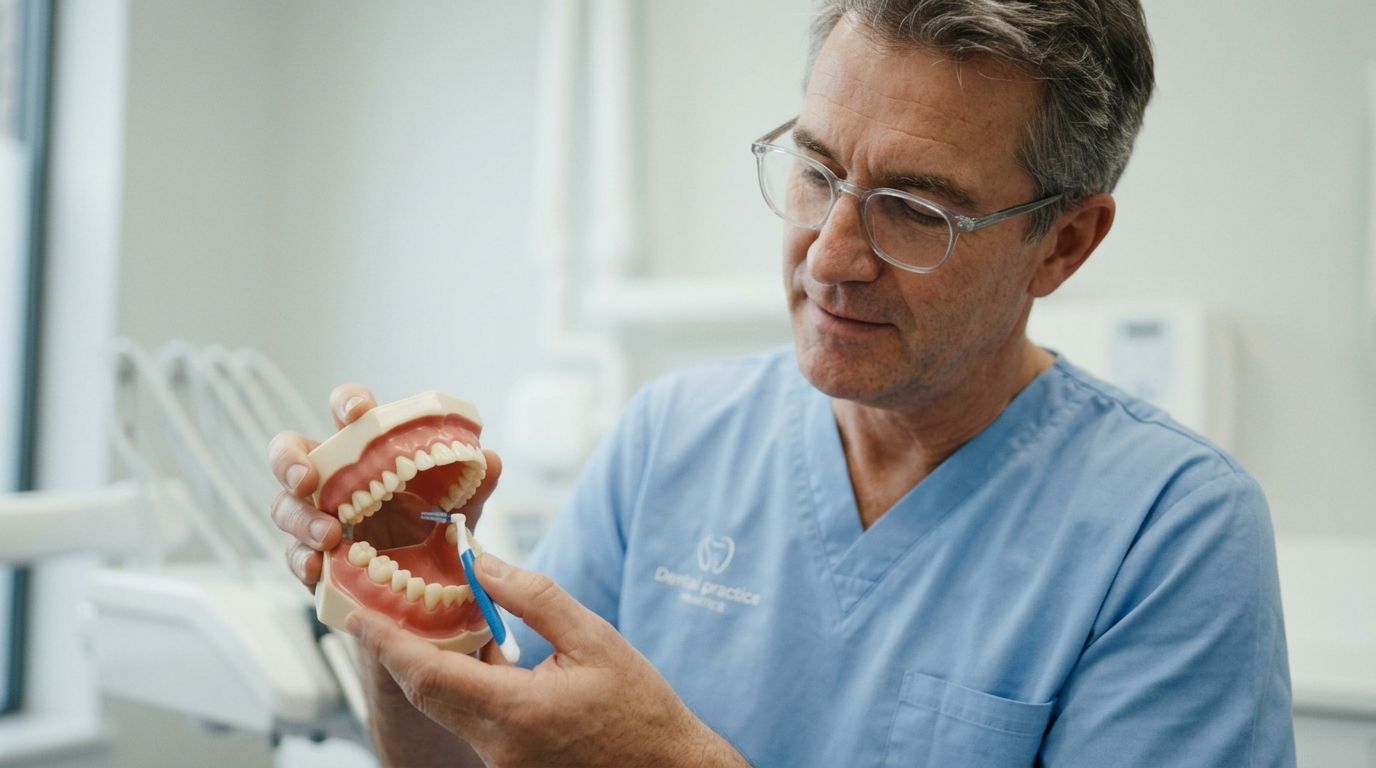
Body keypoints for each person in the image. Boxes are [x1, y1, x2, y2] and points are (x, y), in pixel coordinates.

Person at [268, 1, 1296, 765]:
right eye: (814, 170)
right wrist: (399, 601)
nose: (827, 255)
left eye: (911, 209)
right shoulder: (671, 438)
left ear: (1061, 244)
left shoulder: (1171, 536)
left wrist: (676, 759)